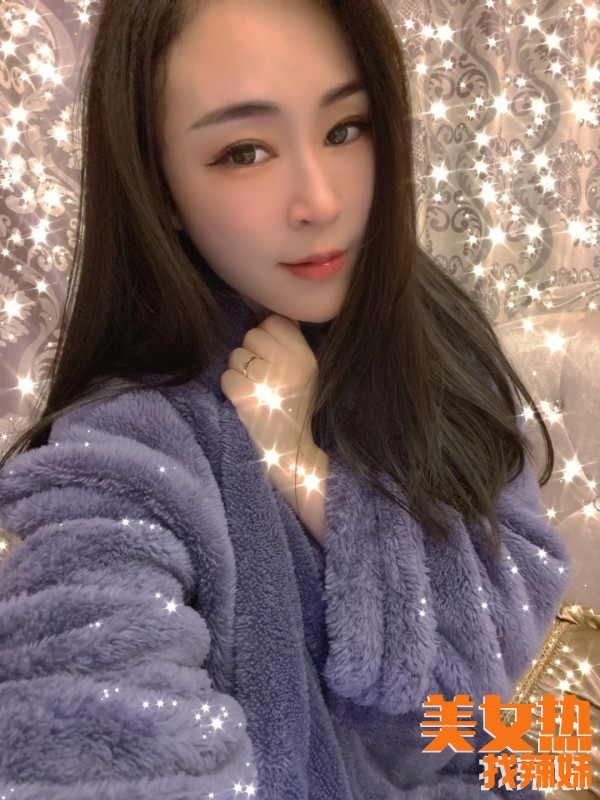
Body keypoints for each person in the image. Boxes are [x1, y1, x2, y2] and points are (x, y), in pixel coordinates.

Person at [0, 1, 570, 798]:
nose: (320, 201)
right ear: (160, 186)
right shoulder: (133, 439)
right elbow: (89, 707)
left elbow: (488, 656)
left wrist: (312, 474)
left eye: (345, 129)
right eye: (245, 151)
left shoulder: (436, 330)